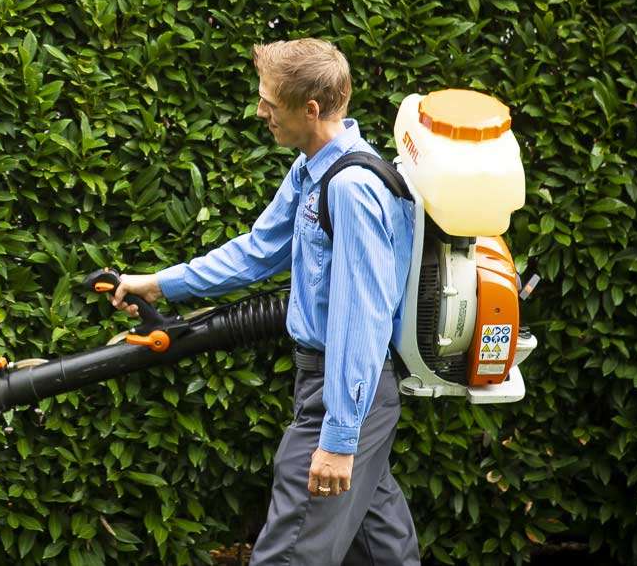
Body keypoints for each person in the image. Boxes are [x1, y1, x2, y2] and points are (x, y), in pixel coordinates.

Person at [111, 38, 421, 566]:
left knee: (289, 552)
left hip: (344, 392)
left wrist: (340, 435)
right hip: (336, 387)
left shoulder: (349, 189)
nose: (260, 112)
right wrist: (161, 283)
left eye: (269, 104)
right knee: (381, 550)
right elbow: (259, 252)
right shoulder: (312, 169)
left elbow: (361, 321)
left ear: (311, 109)